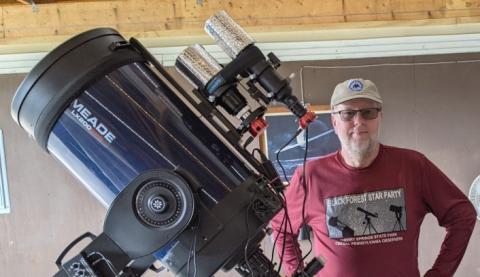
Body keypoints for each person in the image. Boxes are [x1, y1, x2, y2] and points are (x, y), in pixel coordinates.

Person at [270, 78, 477, 277]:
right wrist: (297, 272)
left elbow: (462, 215)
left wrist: (439, 274)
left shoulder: (413, 166)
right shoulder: (311, 176)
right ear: (334, 121)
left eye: (368, 112)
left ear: (380, 117)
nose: (358, 121)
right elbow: (280, 227)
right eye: (347, 114)